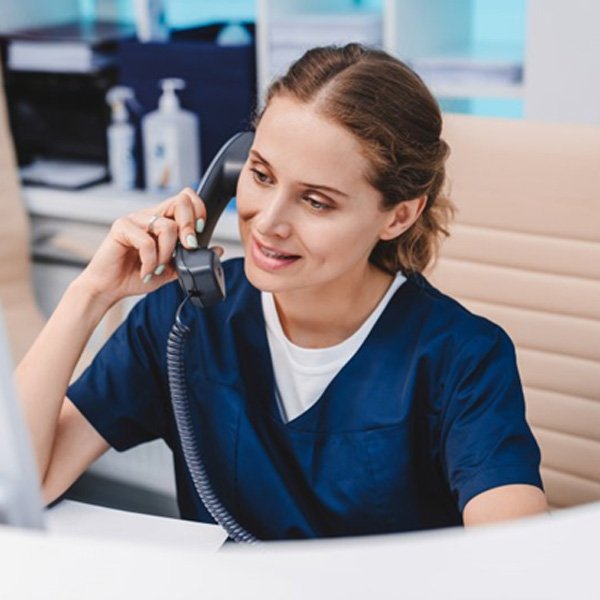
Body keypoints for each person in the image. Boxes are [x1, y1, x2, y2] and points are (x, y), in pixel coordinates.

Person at [16, 44, 547, 540]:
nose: (268, 223)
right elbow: (19, 482)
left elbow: (518, 567)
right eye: (261, 175)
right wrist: (91, 293)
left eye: (316, 201)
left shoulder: (462, 358)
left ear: (399, 214)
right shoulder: (181, 321)